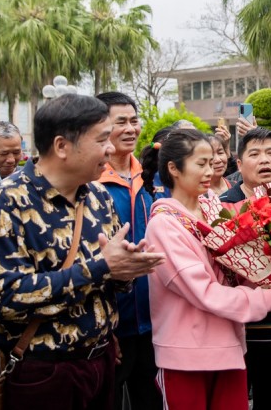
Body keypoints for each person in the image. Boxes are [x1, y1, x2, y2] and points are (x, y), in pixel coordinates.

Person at [0, 94, 166, 410]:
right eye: (101, 140)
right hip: (44, 369)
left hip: (102, 359)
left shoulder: (97, 196)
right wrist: (101, 267)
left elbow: (111, 278)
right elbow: (7, 297)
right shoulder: (8, 201)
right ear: (62, 146)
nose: (111, 149)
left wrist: (127, 267)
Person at [146, 129, 271, 410]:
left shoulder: (215, 210)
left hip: (228, 344)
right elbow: (206, 293)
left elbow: (240, 268)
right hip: (186, 355)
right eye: (200, 163)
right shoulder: (164, 224)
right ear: (173, 169)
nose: (211, 168)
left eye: (213, 160)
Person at [219, 127, 271, 410]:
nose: (264, 160)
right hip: (237, 332)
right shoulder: (221, 209)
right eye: (254, 154)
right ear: (239, 164)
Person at [96, 92, 162, 410]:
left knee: (150, 398)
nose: (130, 128)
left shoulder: (150, 176)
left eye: (133, 120)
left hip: (154, 319)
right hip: (112, 325)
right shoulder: (91, 182)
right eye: (119, 121)